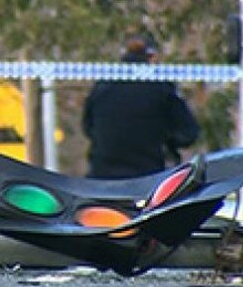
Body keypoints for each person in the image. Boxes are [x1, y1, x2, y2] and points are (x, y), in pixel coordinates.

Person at [82, 35, 200, 179]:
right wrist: (165, 139)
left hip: (102, 177)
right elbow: (188, 133)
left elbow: (87, 127)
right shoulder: (161, 87)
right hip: (148, 177)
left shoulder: (102, 86)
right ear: (152, 57)